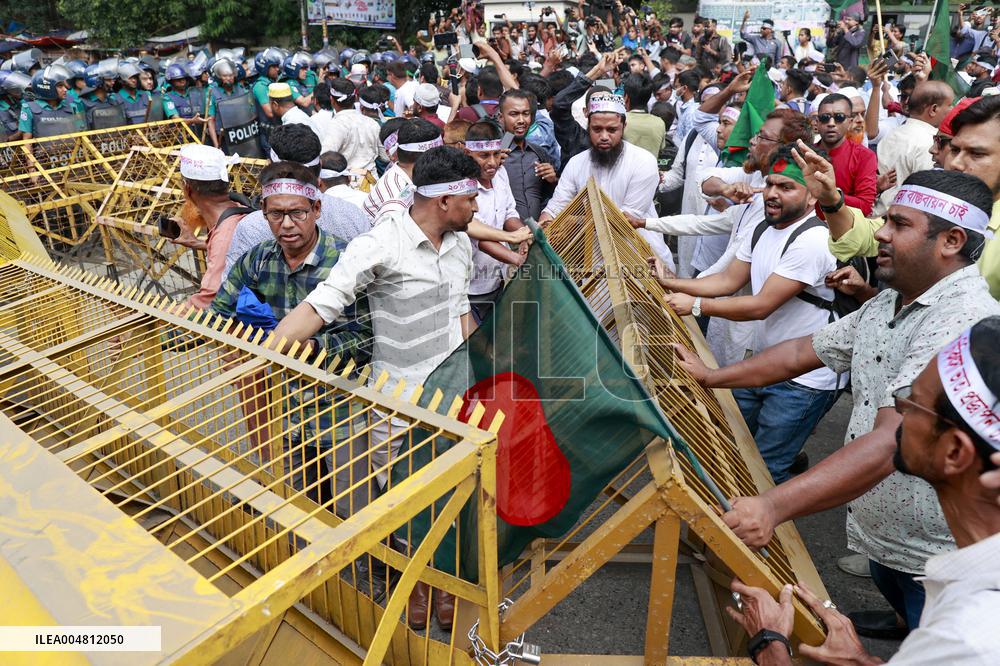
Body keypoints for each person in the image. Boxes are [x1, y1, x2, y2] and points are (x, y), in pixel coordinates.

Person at [679, 154, 999, 639]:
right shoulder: (895, 299)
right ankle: (898, 619)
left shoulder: (959, 318)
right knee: (890, 583)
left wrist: (772, 505)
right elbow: (804, 351)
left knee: (932, 624)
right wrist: (710, 376)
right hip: (883, 529)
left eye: (898, 224)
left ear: (951, 242)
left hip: (932, 549)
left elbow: (891, 442)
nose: (881, 235)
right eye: (886, 221)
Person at [270, 145, 483, 632]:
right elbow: (321, 306)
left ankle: (445, 584)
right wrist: (267, 351)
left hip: (453, 398)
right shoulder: (377, 245)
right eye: (470, 198)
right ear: (443, 201)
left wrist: (482, 378)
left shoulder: (461, 245)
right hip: (397, 404)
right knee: (404, 503)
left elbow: (462, 312)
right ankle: (417, 585)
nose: (476, 208)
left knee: (452, 496)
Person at [723, 316, 1000, 666]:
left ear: (955, 452)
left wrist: (770, 642)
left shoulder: (968, 638)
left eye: (910, 401)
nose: (896, 409)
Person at [656, 145, 845, 482]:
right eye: (770, 184)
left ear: (813, 197)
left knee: (765, 471)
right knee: (732, 450)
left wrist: (695, 305)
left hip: (803, 380)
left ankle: (763, 525)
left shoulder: (813, 239)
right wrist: (675, 284)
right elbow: (728, 280)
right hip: (764, 363)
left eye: (786, 188)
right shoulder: (763, 228)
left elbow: (761, 306)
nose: (772, 194)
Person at [829, 96, 1000, 300]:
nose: (956, 163)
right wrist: (829, 198)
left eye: (976, 154)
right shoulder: (936, 194)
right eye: (954, 149)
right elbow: (863, 237)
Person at [539, 92, 673, 268]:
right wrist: (541, 229)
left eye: (611, 130)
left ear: (624, 126)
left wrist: (573, 221)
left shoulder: (643, 161)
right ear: (588, 126)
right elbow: (556, 207)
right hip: (593, 260)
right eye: (597, 129)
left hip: (640, 258)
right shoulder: (577, 163)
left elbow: (625, 221)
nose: (603, 136)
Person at [224, 124, 370, 278]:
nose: (287, 224)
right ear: (320, 166)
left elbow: (231, 291)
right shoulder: (353, 215)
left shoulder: (250, 229)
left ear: (269, 167)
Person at [462, 120, 528, 321]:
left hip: (498, 277)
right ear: (468, 154)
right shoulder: (463, 187)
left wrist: (525, 235)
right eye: (484, 156)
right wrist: (516, 258)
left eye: (496, 154)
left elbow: (509, 213)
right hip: (472, 285)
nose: (492, 162)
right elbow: (479, 237)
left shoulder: (500, 174)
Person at [170, 144, 249, 310]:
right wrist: (198, 243)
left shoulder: (224, 235)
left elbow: (210, 301)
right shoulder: (238, 208)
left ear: (188, 189)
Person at [874, 81, 955, 215]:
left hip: (879, 214)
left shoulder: (892, 134)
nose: (952, 109)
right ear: (933, 109)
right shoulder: (930, 143)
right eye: (950, 104)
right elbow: (928, 195)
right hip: (901, 222)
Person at [497, 88, 556, 221]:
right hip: (505, 236)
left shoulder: (539, 153)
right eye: (514, 114)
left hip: (538, 232)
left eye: (526, 114)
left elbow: (551, 198)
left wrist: (552, 180)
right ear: (501, 117)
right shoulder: (496, 154)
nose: (521, 120)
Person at [814, 93, 878, 215]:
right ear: (817, 122)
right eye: (825, 118)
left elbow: (865, 206)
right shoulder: (805, 153)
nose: (831, 123)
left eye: (839, 117)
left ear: (849, 122)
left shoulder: (864, 156)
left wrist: (832, 194)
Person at [322, 78, 382, 177]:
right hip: (371, 181)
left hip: (347, 182)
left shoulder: (337, 124)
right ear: (355, 99)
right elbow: (384, 156)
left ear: (332, 100)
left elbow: (325, 155)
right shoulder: (372, 123)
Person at [18, 66, 84, 139]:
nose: (65, 89)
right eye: (60, 86)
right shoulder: (28, 108)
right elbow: (27, 140)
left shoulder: (71, 104)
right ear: (47, 88)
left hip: (73, 149)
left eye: (64, 86)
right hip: (43, 150)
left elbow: (81, 132)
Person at [622, 73, 665, 159]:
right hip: (650, 170)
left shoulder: (619, 120)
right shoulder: (659, 123)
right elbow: (661, 149)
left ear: (626, 97)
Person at [252, 48, 285, 154]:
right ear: (265, 68)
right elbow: (270, 112)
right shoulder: (261, 86)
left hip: (277, 132)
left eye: (277, 66)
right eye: (274, 66)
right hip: (268, 135)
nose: (277, 69)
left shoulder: (273, 82)